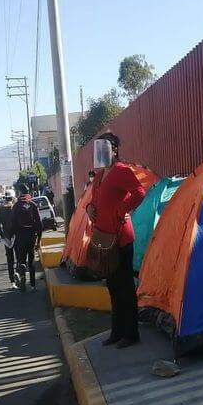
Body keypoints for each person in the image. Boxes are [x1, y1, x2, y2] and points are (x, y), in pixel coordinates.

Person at [86, 132, 146, 348]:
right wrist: (89, 208)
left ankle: (131, 333)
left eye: (106, 147)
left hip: (120, 238)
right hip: (104, 238)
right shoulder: (101, 175)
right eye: (99, 147)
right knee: (112, 286)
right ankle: (117, 331)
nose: (102, 151)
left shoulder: (121, 170)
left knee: (125, 288)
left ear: (114, 150)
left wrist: (121, 210)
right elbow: (93, 200)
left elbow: (139, 192)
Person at [10, 183, 43, 292]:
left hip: (20, 236)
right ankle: (33, 285)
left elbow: (12, 223)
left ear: (19, 192)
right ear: (28, 192)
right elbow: (39, 223)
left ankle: (22, 272)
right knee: (31, 260)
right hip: (31, 236)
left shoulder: (16, 206)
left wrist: (12, 237)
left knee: (21, 258)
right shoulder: (33, 205)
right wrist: (38, 239)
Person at [0, 195, 18, 288]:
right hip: (16, 236)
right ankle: (19, 273)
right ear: (12, 200)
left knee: (10, 259)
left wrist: (3, 236)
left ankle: (12, 281)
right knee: (19, 257)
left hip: (7, 237)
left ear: (5, 200)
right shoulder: (15, 208)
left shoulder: (0, 210)